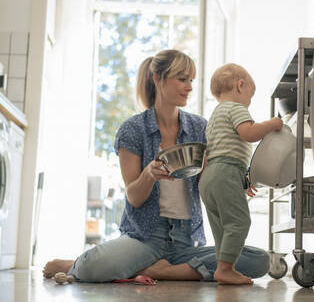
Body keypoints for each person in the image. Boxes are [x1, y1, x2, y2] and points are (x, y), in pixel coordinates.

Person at [43, 50, 270, 282]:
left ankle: (159, 270)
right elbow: (134, 197)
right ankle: (78, 264)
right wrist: (149, 175)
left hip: (184, 240)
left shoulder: (199, 127)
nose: (189, 87)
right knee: (93, 268)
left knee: (259, 260)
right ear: (158, 79)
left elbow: (210, 180)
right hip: (145, 239)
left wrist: (240, 180)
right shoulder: (133, 129)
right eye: (182, 79)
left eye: (191, 80)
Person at [198, 63, 283, 285]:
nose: (249, 101)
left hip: (209, 177)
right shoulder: (236, 108)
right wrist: (272, 124)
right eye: (250, 96)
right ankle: (225, 269)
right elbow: (249, 133)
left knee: (222, 227)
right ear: (240, 85)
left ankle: (223, 267)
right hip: (225, 172)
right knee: (239, 222)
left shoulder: (215, 114)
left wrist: (242, 180)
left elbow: (222, 151)